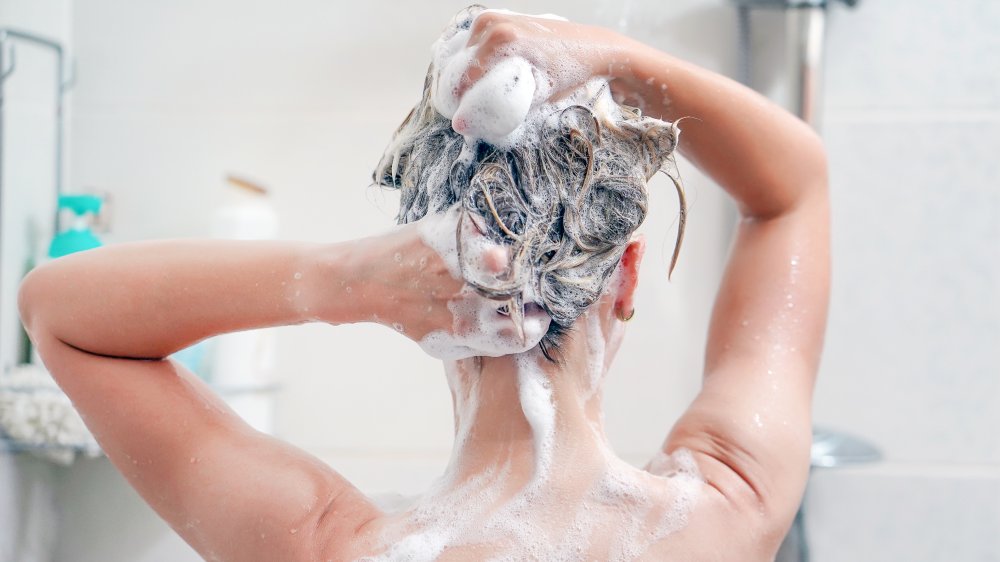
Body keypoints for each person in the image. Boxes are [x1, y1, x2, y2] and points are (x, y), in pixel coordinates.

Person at [17, 8, 829, 562]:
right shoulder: (723, 511)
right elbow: (794, 189)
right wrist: (608, 55)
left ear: (420, 280)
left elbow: (60, 313)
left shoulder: (329, 542)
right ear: (626, 276)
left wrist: (339, 281)